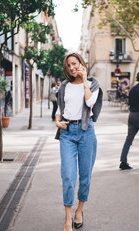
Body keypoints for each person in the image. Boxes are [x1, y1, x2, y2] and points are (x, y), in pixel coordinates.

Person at [54, 53, 102, 231]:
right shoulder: (64, 86)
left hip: (86, 133)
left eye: (75, 63)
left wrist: (84, 80)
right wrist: (57, 121)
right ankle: (67, 218)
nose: (72, 67)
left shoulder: (92, 83)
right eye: (69, 65)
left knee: (85, 177)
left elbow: (90, 102)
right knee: (68, 175)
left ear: (81, 63)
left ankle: (79, 211)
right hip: (67, 132)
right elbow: (60, 106)